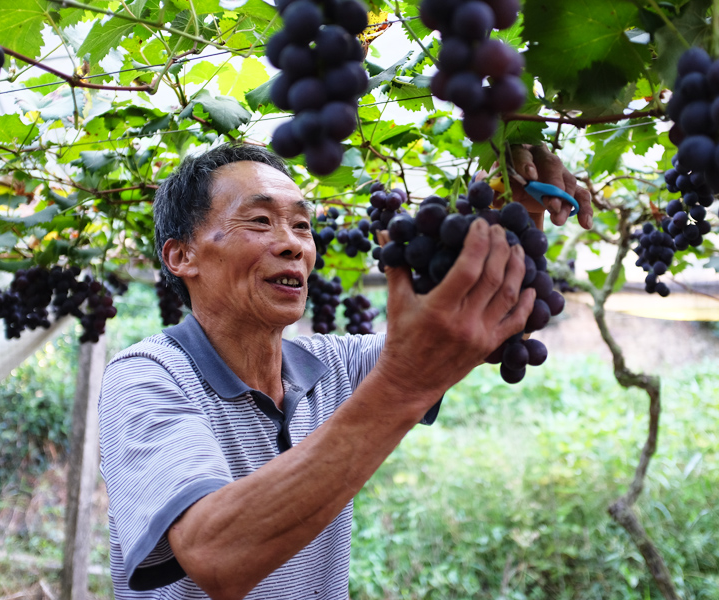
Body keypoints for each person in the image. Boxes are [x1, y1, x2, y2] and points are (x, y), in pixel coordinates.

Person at [98, 143, 593, 600]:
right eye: (260, 221)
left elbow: (484, 327)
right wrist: (400, 387)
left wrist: (517, 212)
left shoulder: (335, 364)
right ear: (181, 256)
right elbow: (215, 552)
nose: (293, 244)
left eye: (301, 225)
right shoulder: (146, 377)